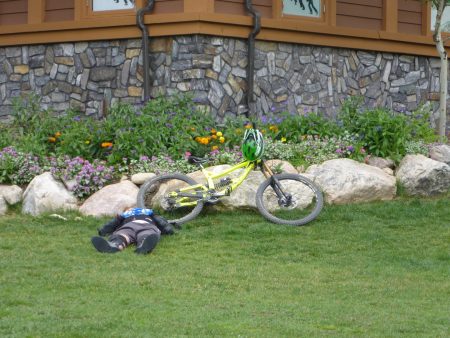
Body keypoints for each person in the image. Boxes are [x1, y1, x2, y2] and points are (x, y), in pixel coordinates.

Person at [91, 207, 174, 255]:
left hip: (146, 226)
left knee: (146, 234)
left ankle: (143, 245)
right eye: (131, 210)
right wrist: (121, 217)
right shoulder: (123, 219)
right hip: (128, 227)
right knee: (121, 235)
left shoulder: (151, 216)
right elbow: (104, 231)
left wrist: (152, 215)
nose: (135, 210)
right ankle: (114, 245)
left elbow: (168, 229)